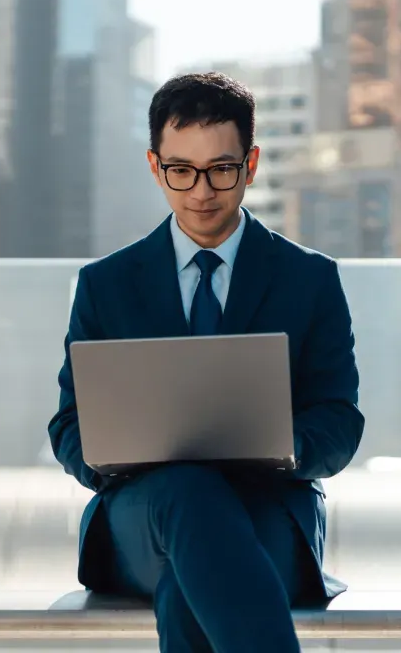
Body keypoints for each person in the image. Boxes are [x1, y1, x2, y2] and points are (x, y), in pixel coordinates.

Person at [48, 71, 364, 652]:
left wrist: (279, 443)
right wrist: (115, 454)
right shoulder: (106, 286)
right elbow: (68, 425)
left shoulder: (309, 280)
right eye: (181, 171)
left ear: (251, 163)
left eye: (221, 168)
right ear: (154, 165)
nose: (201, 191)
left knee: (188, 593)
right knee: (185, 492)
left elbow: (340, 422)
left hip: (267, 510)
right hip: (145, 518)